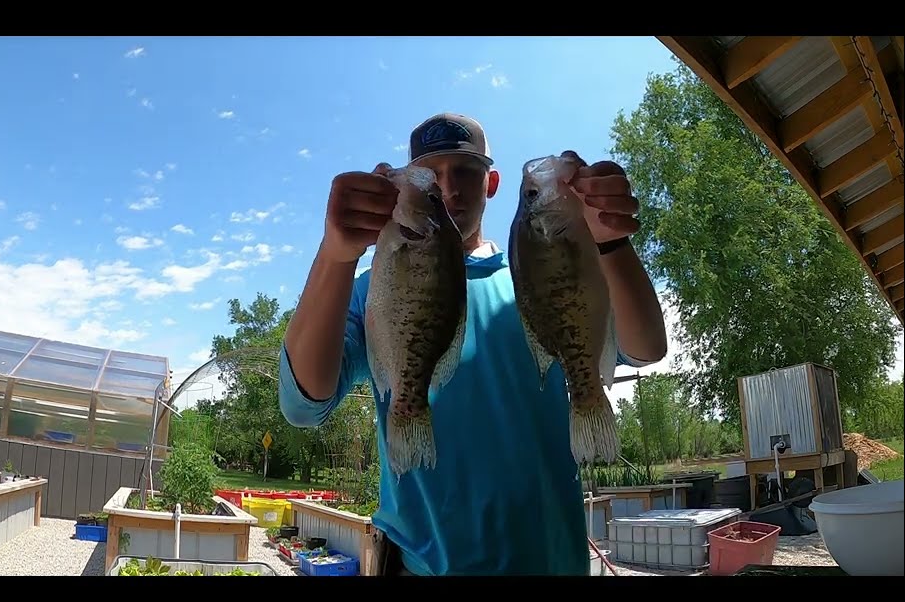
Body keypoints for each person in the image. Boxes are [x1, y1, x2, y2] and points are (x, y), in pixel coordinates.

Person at [277, 113, 668, 575]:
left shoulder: (533, 274)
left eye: (464, 170)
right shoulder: (373, 287)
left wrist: (610, 243)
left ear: (491, 183)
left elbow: (645, 347)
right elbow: (303, 405)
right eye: (431, 175)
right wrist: (335, 255)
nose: (448, 187)